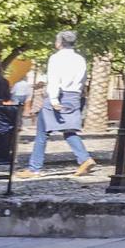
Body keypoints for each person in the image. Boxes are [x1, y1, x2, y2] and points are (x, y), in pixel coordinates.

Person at [28, 31, 95, 175]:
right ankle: (84, 159)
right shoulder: (80, 59)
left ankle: (34, 168)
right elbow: (82, 79)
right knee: (69, 130)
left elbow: (54, 79)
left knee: (42, 133)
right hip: (74, 95)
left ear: (59, 43)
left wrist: (53, 99)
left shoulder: (56, 58)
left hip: (59, 94)